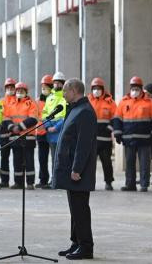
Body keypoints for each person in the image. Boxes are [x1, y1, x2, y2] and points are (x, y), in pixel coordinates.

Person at [53, 78, 97, 260]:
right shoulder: (75, 109)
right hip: (71, 169)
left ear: (74, 90)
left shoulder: (85, 112)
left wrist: (77, 168)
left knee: (80, 209)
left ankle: (86, 247)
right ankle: (76, 243)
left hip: (78, 171)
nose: (62, 94)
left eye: (65, 90)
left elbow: (83, 145)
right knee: (75, 209)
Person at [113, 76, 152, 192]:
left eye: (137, 88)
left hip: (145, 139)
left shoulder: (150, 103)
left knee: (144, 163)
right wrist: (118, 134)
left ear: (141, 88)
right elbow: (117, 119)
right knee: (129, 163)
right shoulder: (124, 102)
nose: (134, 90)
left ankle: (144, 184)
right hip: (128, 139)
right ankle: (130, 184)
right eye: (133, 88)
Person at [3, 82, 39, 189]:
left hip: (28, 137)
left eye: (21, 91)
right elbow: (5, 118)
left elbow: (33, 119)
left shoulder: (31, 103)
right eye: (18, 91)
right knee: (17, 161)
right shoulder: (11, 104)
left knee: (29, 161)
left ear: (26, 92)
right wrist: (11, 127)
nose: (19, 93)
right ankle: (18, 183)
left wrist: (19, 127)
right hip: (15, 137)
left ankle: (30, 183)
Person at [88, 77, 117, 191]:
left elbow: (115, 118)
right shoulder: (88, 101)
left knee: (107, 162)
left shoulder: (110, 102)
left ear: (102, 89)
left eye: (98, 88)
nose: (96, 90)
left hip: (105, 140)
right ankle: (89, 183)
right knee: (90, 164)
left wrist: (109, 129)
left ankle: (109, 182)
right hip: (91, 139)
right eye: (94, 88)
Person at [42, 71, 67, 189]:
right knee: (54, 158)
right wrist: (47, 126)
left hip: (61, 132)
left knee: (62, 159)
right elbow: (45, 113)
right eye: (55, 83)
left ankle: (61, 180)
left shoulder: (66, 97)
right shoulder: (49, 98)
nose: (57, 85)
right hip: (51, 133)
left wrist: (56, 127)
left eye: (59, 83)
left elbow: (66, 116)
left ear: (63, 83)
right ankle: (54, 180)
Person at [0, 77, 17, 187]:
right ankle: (4, 181)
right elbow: (3, 116)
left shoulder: (18, 100)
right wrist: (10, 127)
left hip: (16, 133)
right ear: (5, 89)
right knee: (4, 158)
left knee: (17, 158)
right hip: (5, 133)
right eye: (8, 87)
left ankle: (17, 181)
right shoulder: (2, 101)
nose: (10, 89)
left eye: (12, 87)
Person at [35, 75, 53, 189]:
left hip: (52, 133)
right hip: (41, 134)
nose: (44, 89)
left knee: (54, 158)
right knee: (42, 159)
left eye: (46, 86)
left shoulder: (55, 100)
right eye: (42, 87)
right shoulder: (37, 101)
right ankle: (43, 179)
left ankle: (54, 179)